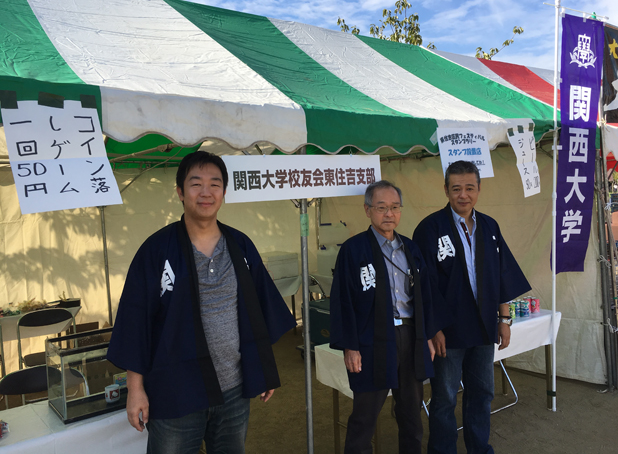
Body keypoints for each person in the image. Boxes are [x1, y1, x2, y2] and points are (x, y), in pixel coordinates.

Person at [107, 151, 296, 454]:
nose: (206, 192)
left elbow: (258, 311)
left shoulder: (240, 245)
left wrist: (261, 369)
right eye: (196, 184)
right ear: (180, 192)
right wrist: (135, 388)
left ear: (224, 192)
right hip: (175, 390)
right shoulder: (156, 250)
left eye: (215, 184)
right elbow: (135, 322)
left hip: (233, 390)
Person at [412, 160, 531, 454]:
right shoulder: (429, 229)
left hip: (483, 327)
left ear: (479, 189)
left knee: (482, 393)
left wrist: (504, 319)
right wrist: (434, 328)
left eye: (469, 188)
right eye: (456, 189)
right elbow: (424, 287)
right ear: (446, 190)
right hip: (449, 331)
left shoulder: (489, 226)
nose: (463, 195)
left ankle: (479, 448)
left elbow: (502, 276)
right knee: (444, 398)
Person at [330, 180, 450, 454]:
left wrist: (428, 335)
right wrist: (350, 346)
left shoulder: (410, 248)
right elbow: (343, 301)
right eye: (381, 207)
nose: (389, 214)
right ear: (367, 210)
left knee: (411, 413)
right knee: (364, 417)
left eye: (395, 207)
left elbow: (425, 295)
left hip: (410, 336)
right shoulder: (353, 250)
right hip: (372, 340)